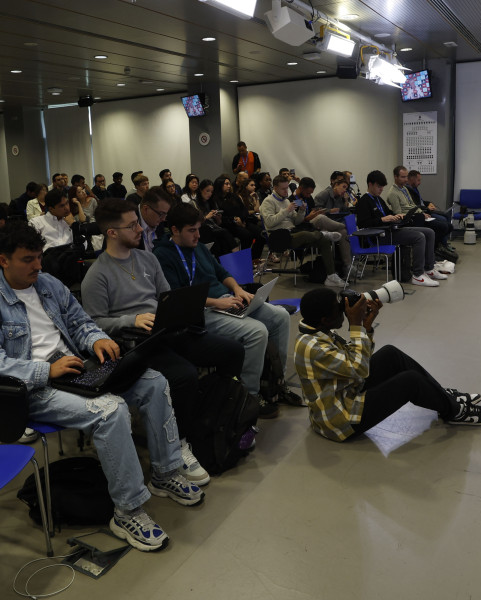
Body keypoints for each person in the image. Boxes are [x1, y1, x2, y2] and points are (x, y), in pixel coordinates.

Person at [0, 222, 203, 552]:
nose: (37, 266)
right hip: (32, 388)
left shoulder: (48, 284)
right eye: (27, 259)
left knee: (154, 382)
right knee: (110, 410)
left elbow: (81, 323)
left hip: (75, 368)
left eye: (39, 257)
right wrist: (45, 370)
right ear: (3, 260)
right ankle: (127, 510)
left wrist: (98, 340)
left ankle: (165, 472)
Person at [81, 199, 246, 485]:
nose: (139, 229)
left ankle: (217, 416)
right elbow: (94, 323)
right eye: (131, 225)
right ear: (112, 233)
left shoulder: (147, 258)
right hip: (138, 342)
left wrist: (181, 310)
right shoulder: (97, 275)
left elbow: (168, 295)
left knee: (232, 351)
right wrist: (131, 320)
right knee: (184, 375)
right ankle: (179, 442)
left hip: (169, 329)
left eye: (137, 222)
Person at [294, 288, 481, 442]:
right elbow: (359, 369)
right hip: (340, 420)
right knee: (410, 382)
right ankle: (455, 411)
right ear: (324, 319)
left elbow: (354, 361)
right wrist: (356, 326)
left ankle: (443, 396)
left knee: (391, 354)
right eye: (339, 311)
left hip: (346, 391)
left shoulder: (317, 332)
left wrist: (366, 327)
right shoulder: (312, 347)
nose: (345, 313)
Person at [153, 203, 299, 414]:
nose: (197, 235)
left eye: (199, 229)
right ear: (174, 230)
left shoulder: (199, 247)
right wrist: (216, 302)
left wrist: (238, 290)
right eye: (191, 231)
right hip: (201, 312)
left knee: (280, 316)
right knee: (257, 332)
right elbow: (178, 296)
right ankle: (249, 397)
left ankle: (276, 383)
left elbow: (222, 273)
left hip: (226, 301)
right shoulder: (163, 255)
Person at [356, 170, 447, 287]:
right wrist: (382, 220)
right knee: (419, 237)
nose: (381, 189)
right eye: (379, 186)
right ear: (370, 184)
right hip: (379, 236)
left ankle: (429, 269)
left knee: (429, 232)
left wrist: (396, 216)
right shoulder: (364, 201)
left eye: (382, 187)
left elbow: (387, 212)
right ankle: (418, 275)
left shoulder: (378, 199)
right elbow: (363, 224)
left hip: (390, 229)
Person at [260, 175, 346, 288]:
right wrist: (286, 211)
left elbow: (296, 221)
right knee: (305, 234)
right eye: (283, 189)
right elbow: (270, 222)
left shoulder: (286, 201)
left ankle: (331, 276)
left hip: (293, 232)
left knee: (324, 241)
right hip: (278, 236)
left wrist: (301, 211)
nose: (286, 191)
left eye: (287, 188)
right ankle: (322, 234)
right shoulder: (268, 201)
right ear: (275, 188)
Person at [295, 177, 351, 271]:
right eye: (307, 193)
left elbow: (315, 209)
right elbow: (297, 221)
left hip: (317, 222)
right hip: (304, 226)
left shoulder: (307, 198)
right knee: (321, 218)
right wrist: (314, 215)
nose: (309, 196)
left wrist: (345, 201)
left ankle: (348, 265)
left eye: (310, 193)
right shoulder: (294, 199)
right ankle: (348, 227)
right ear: (300, 188)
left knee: (343, 232)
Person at [405, 169, 459, 262]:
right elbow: (414, 206)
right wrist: (426, 208)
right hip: (421, 214)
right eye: (418, 180)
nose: (420, 182)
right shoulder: (407, 190)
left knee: (446, 218)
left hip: (425, 210)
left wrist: (429, 203)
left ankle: (443, 245)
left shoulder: (414, 188)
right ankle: (437, 248)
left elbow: (420, 201)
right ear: (412, 179)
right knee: (443, 223)